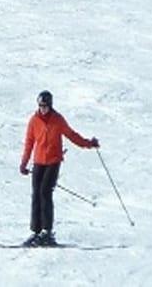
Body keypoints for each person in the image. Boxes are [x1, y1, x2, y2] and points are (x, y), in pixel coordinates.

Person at [20, 90, 99, 246]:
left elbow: (72, 135)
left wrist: (89, 143)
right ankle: (36, 232)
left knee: (45, 192)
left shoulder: (57, 120)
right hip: (39, 162)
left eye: (45, 106)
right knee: (36, 194)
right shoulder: (34, 120)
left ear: (50, 105)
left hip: (53, 161)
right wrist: (24, 163)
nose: (42, 109)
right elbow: (29, 143)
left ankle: (47, 232)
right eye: (40, 106)